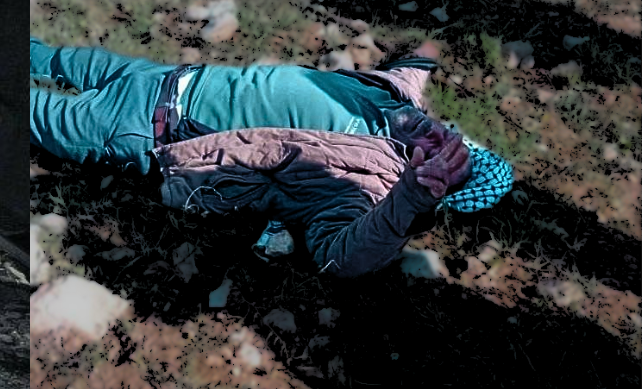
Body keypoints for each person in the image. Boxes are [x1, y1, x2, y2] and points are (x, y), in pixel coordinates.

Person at [30, 38, 513, 278]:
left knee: (20, 105)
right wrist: (434, 49)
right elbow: (414, 67)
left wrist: (409, 200)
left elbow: (340, 256)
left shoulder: (365, 183)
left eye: (446, 161)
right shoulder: (399, 101)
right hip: (158, 75)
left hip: (140, 128)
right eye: (455, 139)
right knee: (40, 55)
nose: (439, 136)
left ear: (433, 181)